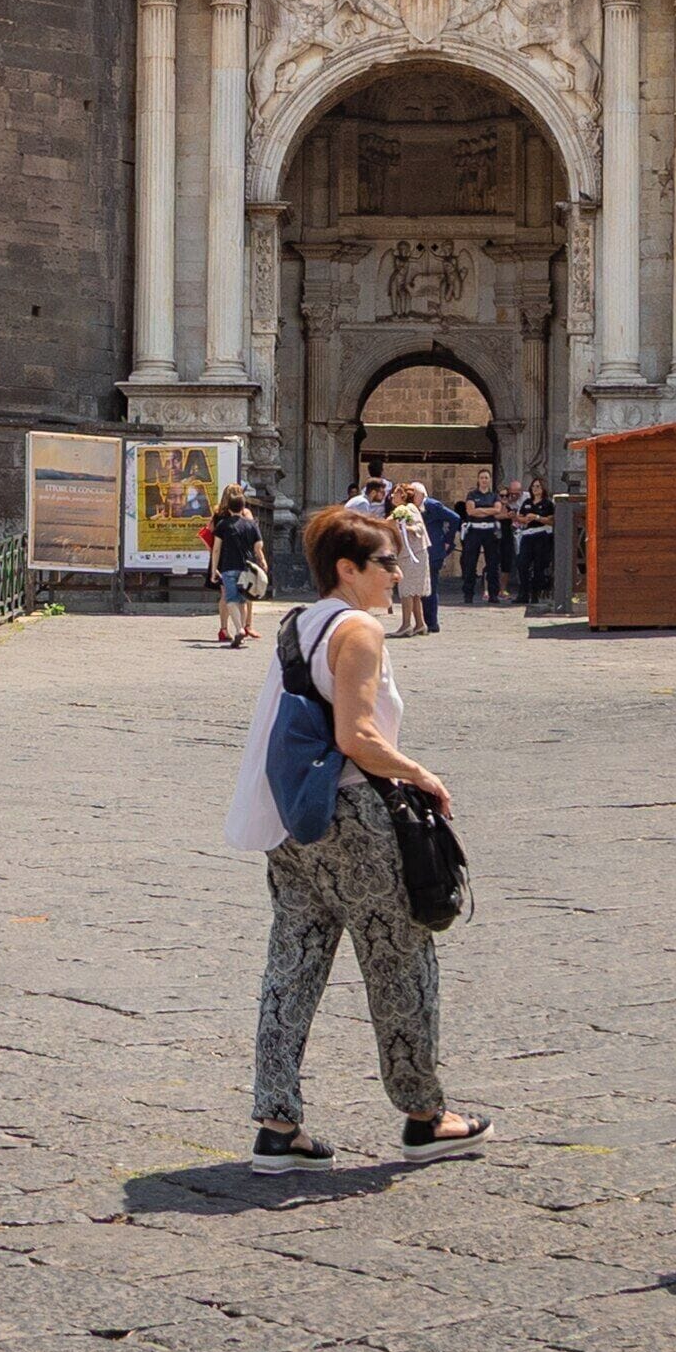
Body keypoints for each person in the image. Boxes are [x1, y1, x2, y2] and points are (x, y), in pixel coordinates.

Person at [226, 504, 493, 1173]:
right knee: (400, 962)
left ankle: (276, 1122)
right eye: (385, 562)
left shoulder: (298, 623)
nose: (396, 571)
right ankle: (424, 1115)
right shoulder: (359, 630)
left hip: (295, 821)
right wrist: (421, 773)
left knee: (291, 965)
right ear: (348, 568)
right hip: (355, 821)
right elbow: (357, 737)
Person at [211, 483, 267, 647]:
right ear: (243, 506)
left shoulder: (222, 524)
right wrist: (262, 560)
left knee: (230, 599)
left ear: (229, 508)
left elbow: (215, 549)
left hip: (227, 566)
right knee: (243, 600)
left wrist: (214, 568)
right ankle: (243, 627)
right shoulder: (251, 524)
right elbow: (259, 546)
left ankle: (238, 629)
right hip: (246, 566)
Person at [458, 469, 505, 607]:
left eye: (486, 477)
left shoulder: (494, 496)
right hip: (474, 531)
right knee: (470, 563)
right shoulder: (472, 494)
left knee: (492, 564)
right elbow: (470, 511)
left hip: (490, 531)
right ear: (478, 480)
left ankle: (493, 594)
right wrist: (487, 510)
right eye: (482, 477)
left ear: (490, 480)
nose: (484, 480)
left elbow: (497, 510)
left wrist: (480, 510)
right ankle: (468, 594)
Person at [390, 486, 431, 637]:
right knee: (412, 592)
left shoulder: (410, 508)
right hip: (408, 554)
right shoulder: (399, 511)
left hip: (414, 555)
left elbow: (419, 527)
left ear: (402, 495)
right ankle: (420, 624)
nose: (392, 496)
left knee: (407, 590)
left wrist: (408, 528)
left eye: (395, 493)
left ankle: (406, 624)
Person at [419, 484, 461, 633]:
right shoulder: (414, 507)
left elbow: (455, 518)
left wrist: (448, 540)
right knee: (424, 587)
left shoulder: (432, 505)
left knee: (431, 586)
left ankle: (432, 622)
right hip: (424, 551)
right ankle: (424, 620)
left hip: (434, 550)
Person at [512, 471, 555, 607]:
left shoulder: (547, 503)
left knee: (539, 566)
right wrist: (526, 518)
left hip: (541, 535)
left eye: (538, 486)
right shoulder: (527, 502)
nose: (535, 489)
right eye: (533, 487)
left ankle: (536, 593)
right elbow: (520, 517)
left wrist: (537, 517)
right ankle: (523, 593)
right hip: (528, 534)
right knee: (522, 563)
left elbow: (551, 520)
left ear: (543, 489)